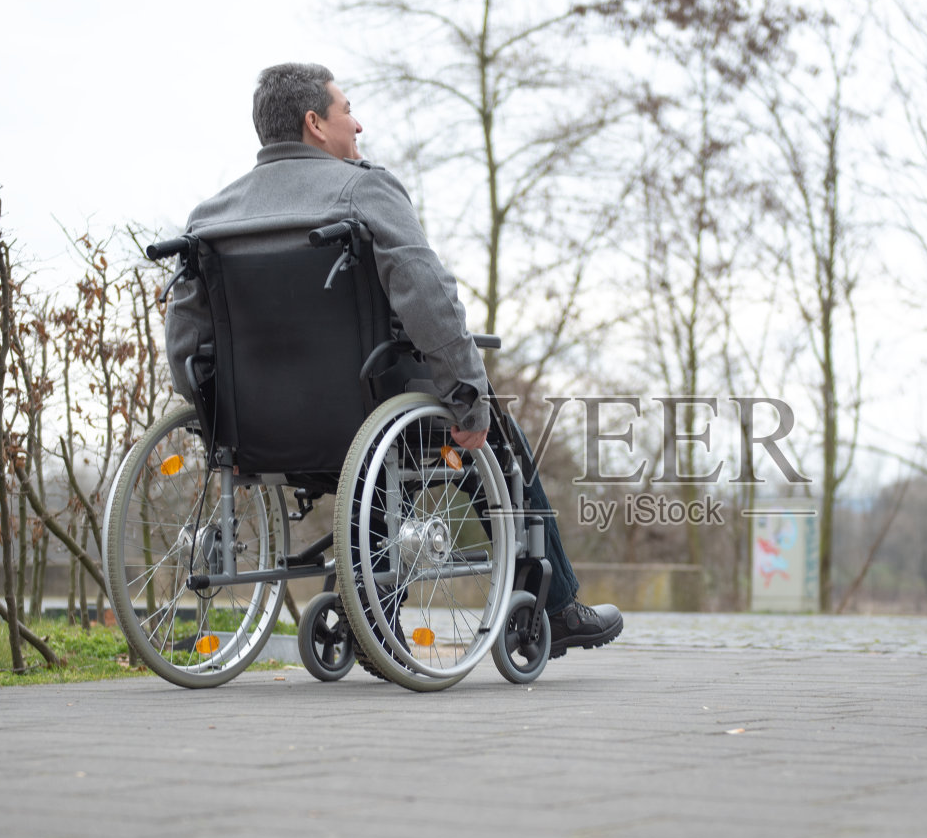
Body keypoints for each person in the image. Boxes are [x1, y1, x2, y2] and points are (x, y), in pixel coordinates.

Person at [175, 62, 622, 656]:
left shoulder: (211, 217)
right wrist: (469, 394)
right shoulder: (362, 189)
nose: (357, 124)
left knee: (397, 426)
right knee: (473, 428)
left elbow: (185, 339)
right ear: (314, 123)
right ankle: (557, 604)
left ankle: (369, 613)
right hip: (364, 419)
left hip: (256, 434)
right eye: (346, 110)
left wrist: (214, 426)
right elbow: (428, 295)